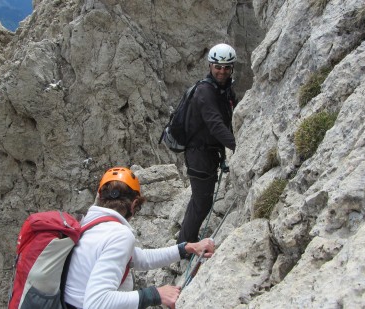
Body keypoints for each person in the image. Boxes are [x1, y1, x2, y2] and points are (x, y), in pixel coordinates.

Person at [64, 167, 216, 309]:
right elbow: (96, 303)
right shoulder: (118, 234)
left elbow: (139, 258)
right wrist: (155, 295)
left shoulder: (89, 224)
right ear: (134, 203)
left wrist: (185, 248)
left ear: (101, 198)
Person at [177, 43, 237, 244]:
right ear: (210, 66)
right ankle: (185, 245)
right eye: (218, 67)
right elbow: (215, 125)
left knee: (200, 199)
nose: (222, 71)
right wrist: (237, 145)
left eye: (226, 67)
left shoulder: (225, 90)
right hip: (198, 155)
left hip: (209, 153)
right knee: (202, 201)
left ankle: (185, 240)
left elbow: (231, 118)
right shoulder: (205, 91)